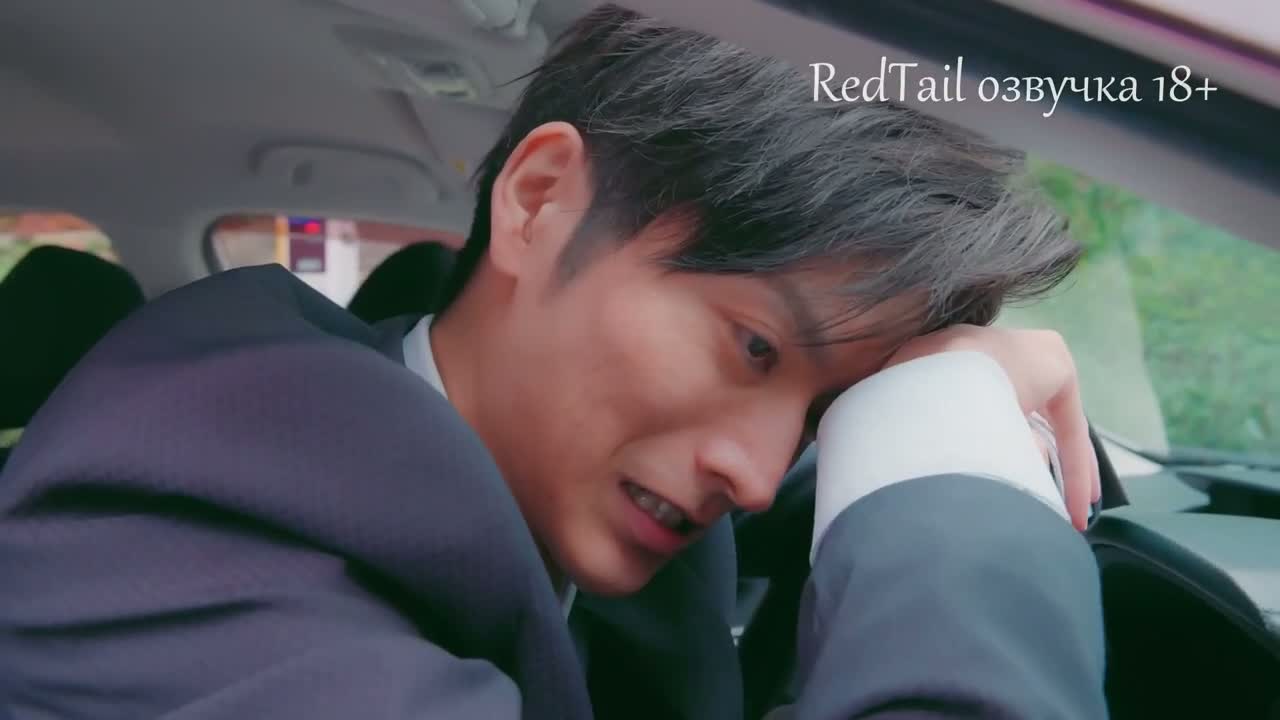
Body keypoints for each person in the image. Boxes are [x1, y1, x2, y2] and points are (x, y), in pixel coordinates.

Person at [0, 5, 1107, 719]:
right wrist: (947, 476)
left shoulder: (555, 484)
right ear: (537, 202)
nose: (758, 477)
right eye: (755, 346)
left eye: (825, 408)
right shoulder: (178, 572)